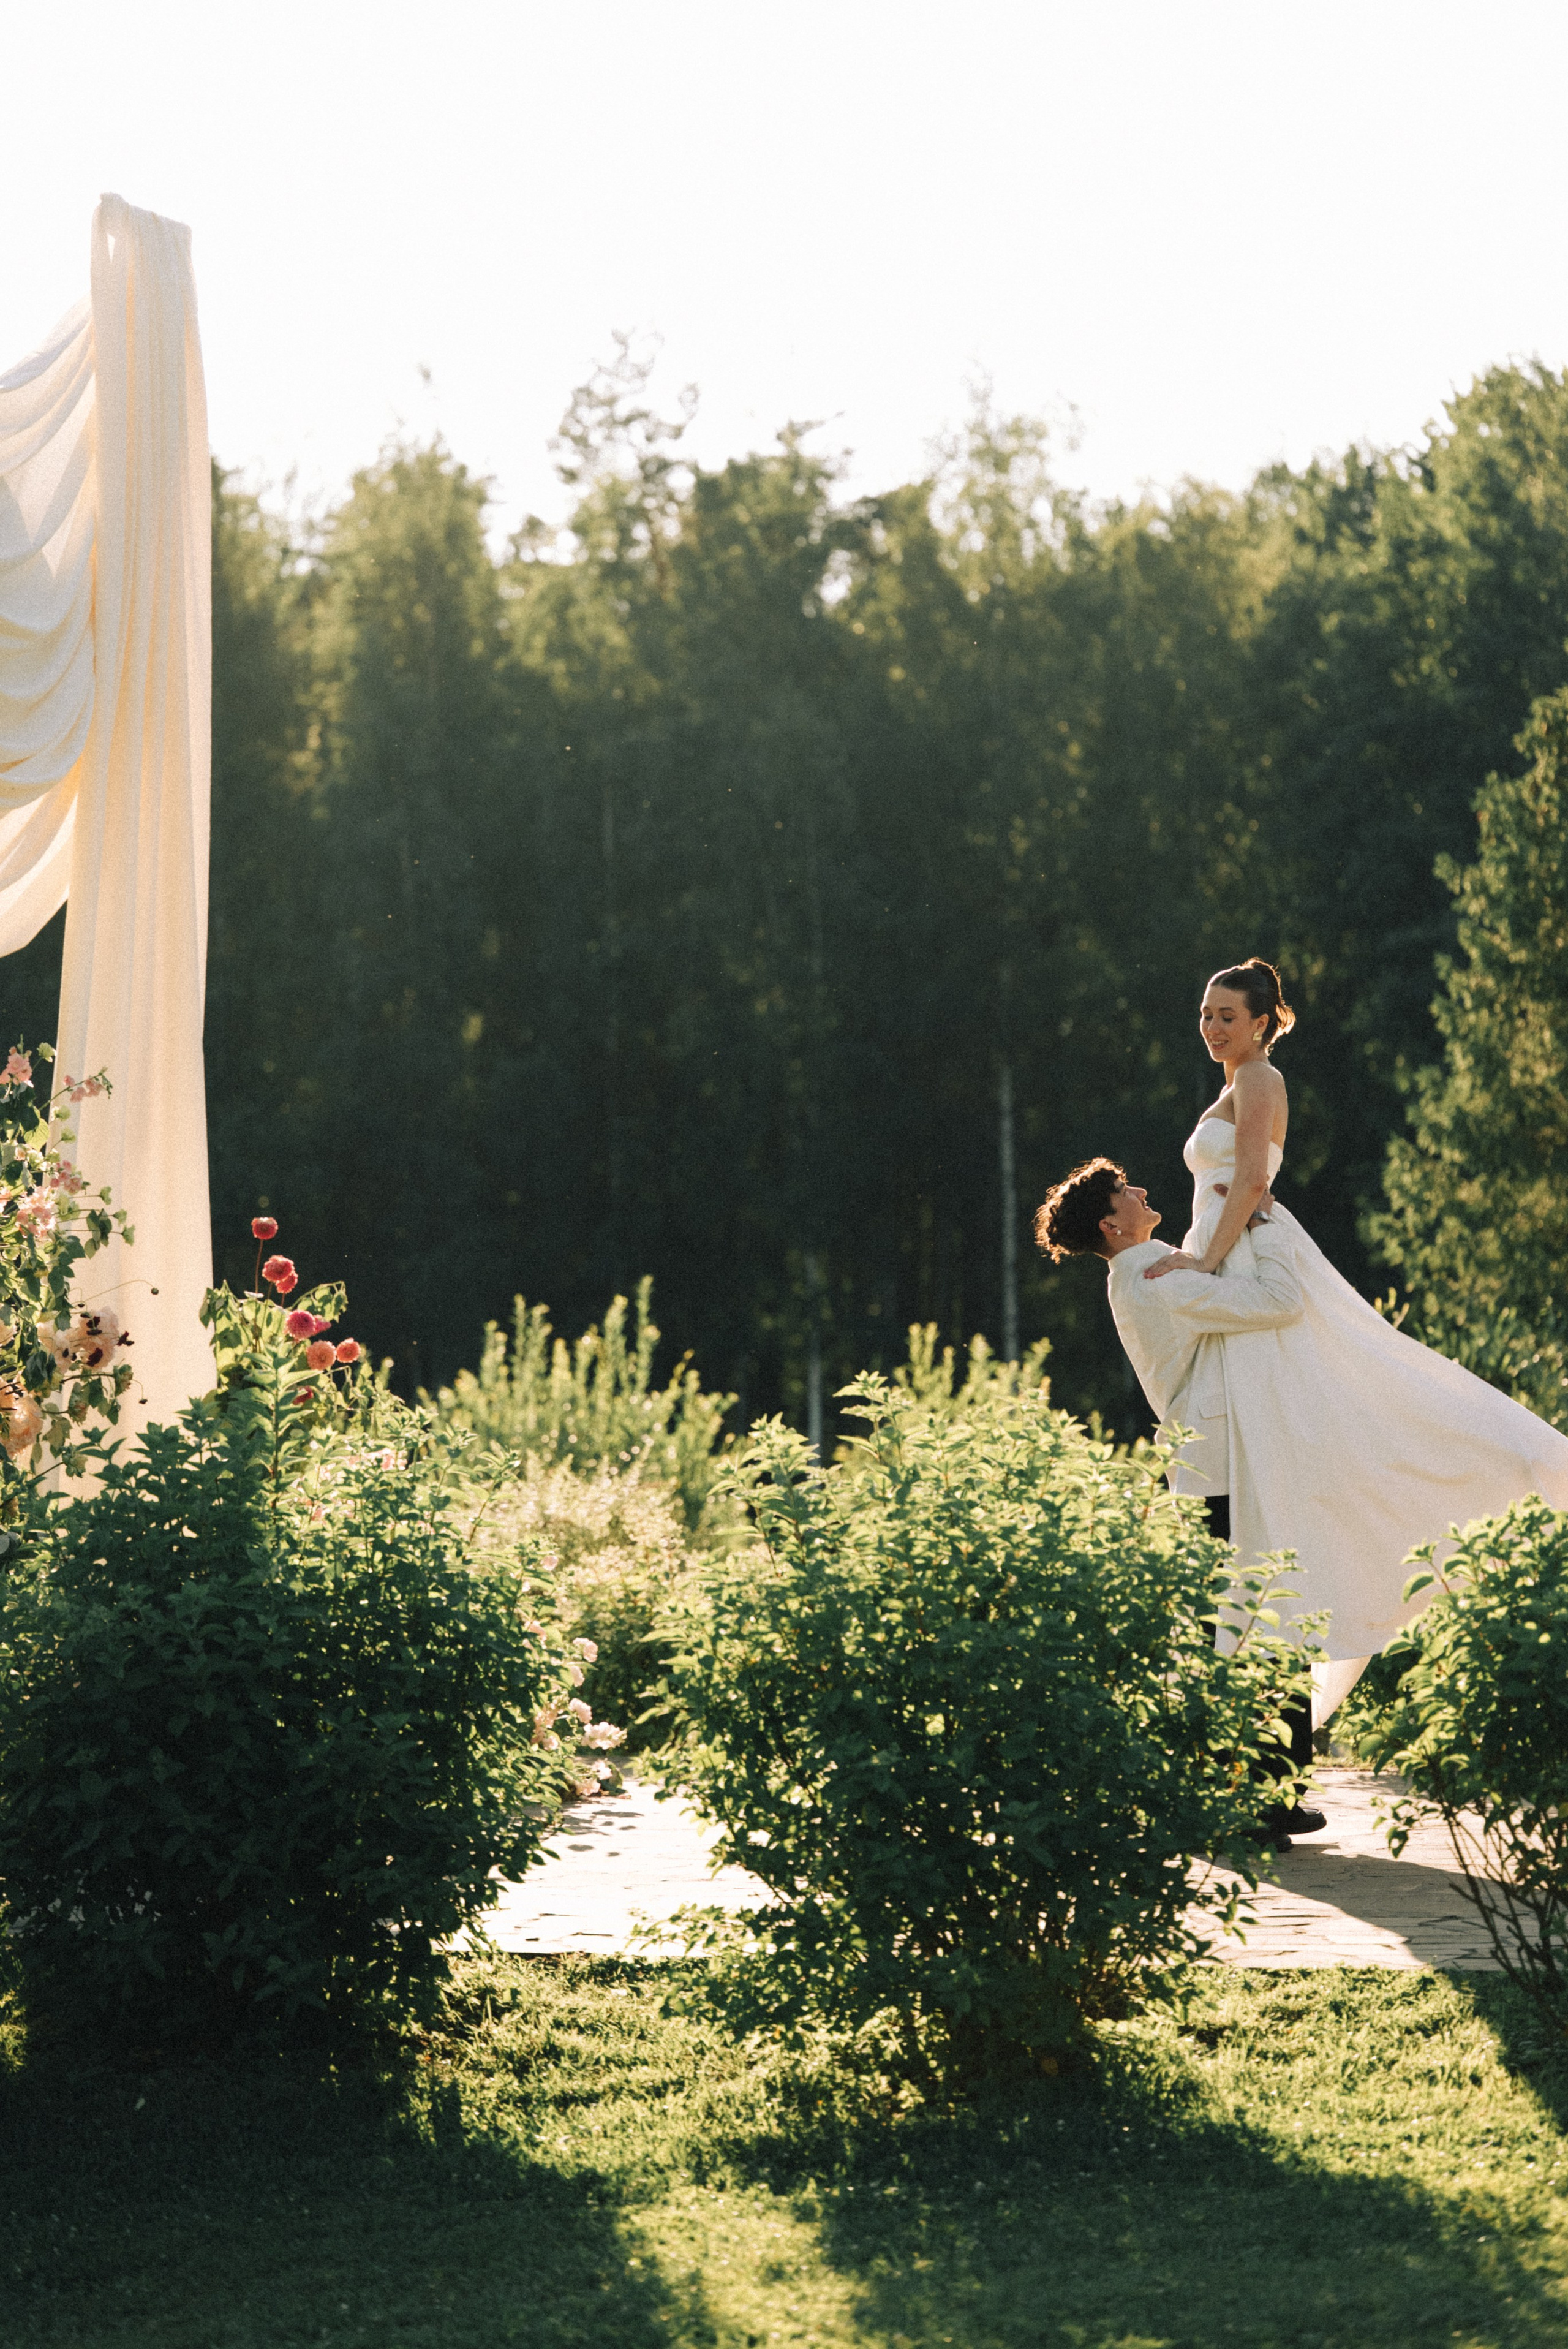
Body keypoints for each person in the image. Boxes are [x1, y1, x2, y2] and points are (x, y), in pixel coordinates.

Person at [1134, 956, 1568, 1693]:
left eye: (1227, 1017)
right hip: (1228, 1252)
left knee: (1352, 1399)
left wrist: (1202, 1259)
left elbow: (1250, 1181)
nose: (1211, 1028)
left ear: (1262, 1023)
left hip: (1244, 1255)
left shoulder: (1259, 1079)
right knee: (1284, 1440)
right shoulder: (1232, 1083)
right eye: (1205, 1015)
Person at [1035, 1156, 1325, 1841]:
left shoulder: (1155, 1268)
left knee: (1245, 1624)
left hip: (1214, 1467)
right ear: (1112, 1223)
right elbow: (1280, 1302)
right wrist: (1268, 1224)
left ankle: (1259, 1797)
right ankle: (1254, 1801)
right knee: (1253, 1623)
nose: (1141, 1190)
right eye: (1125, 1191)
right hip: (1223, 1468)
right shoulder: (1155, 1277)